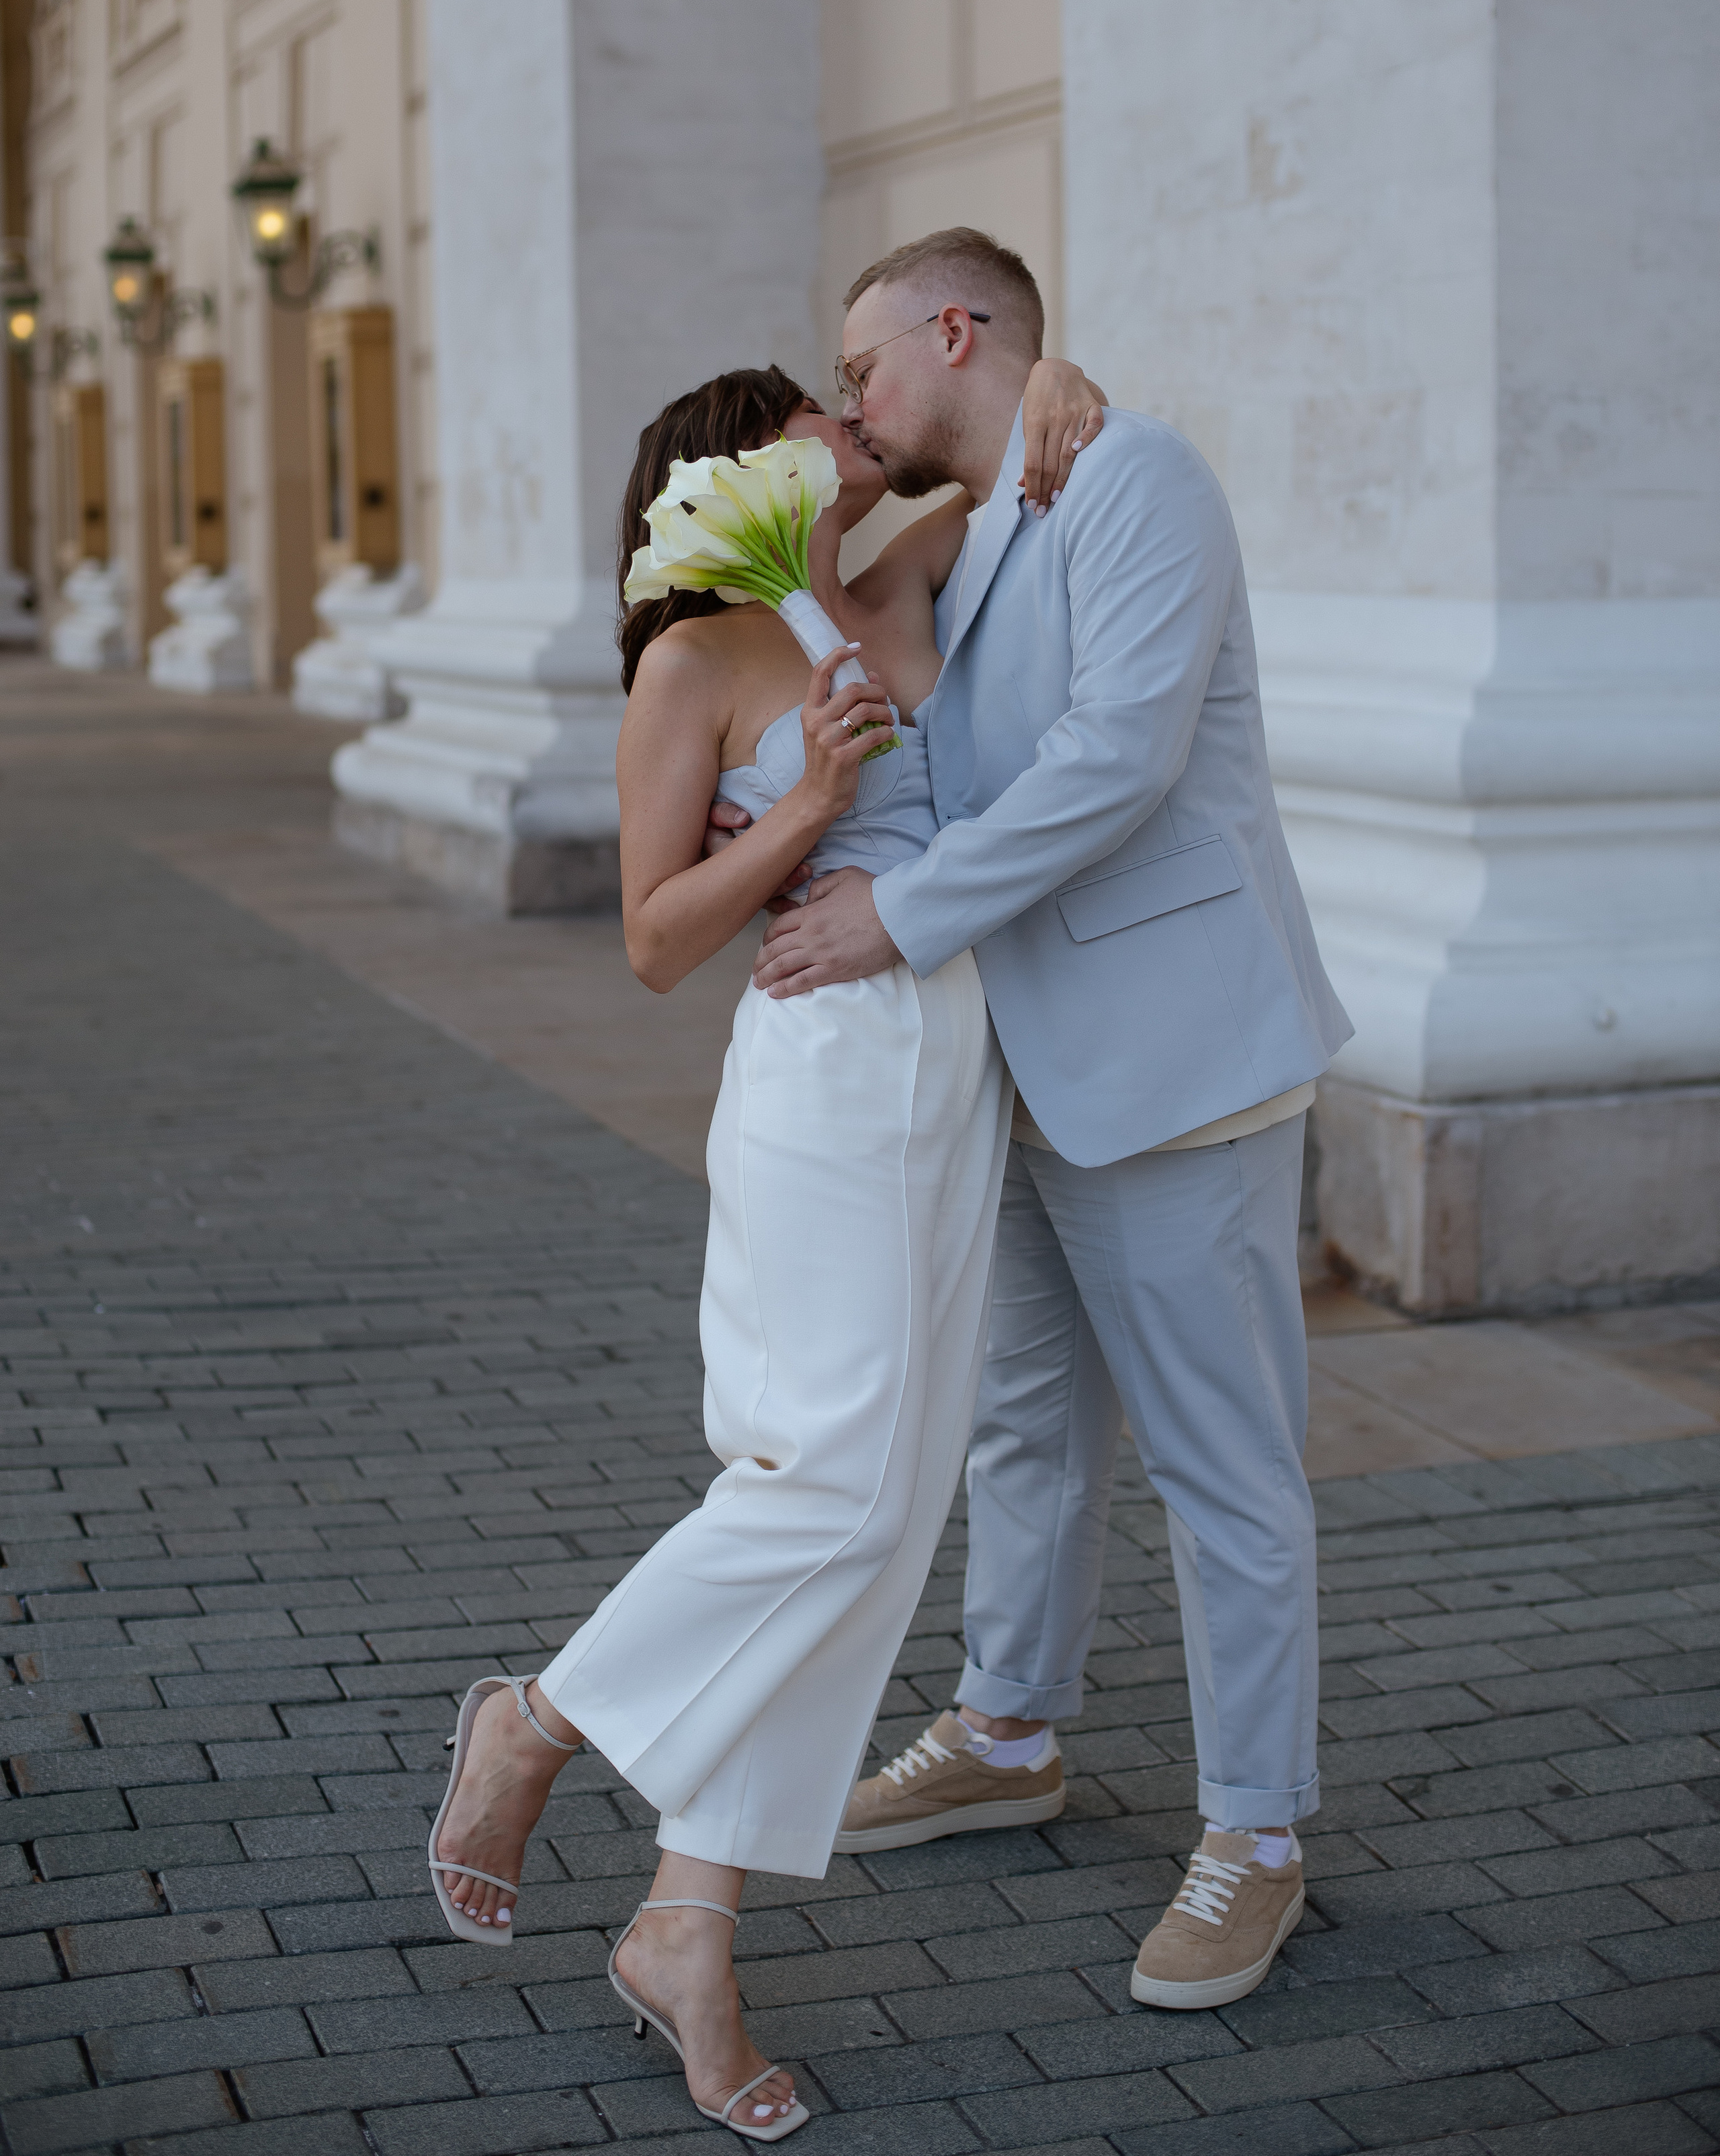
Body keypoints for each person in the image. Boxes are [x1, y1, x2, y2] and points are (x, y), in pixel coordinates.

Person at [427, 353, 1105, 2141]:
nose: (853, 426)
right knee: (834, 1495)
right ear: (741, 461)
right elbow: (656, 937)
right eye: (820, 407)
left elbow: (1006, 488)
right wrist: (804, 806)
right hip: (830, 1082)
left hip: (951, 1082)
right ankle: (536, 1721)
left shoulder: (876, 584)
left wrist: (1059, 378)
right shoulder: (695, 658)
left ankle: (687, 1924)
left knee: (874, 1530)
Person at [748, 226, 1352, 2014]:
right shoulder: (991, 517)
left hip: (1173, 1061)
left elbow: (1122, 757)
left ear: (957, 326)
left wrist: (894, 915)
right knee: (1029, 1421)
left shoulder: (1138, 476)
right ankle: (1010, 1726)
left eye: (865, 365)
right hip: (1024, 1061)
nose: (853, 400)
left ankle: (1258, 1830)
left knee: (1224, 1465)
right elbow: (924, 702)